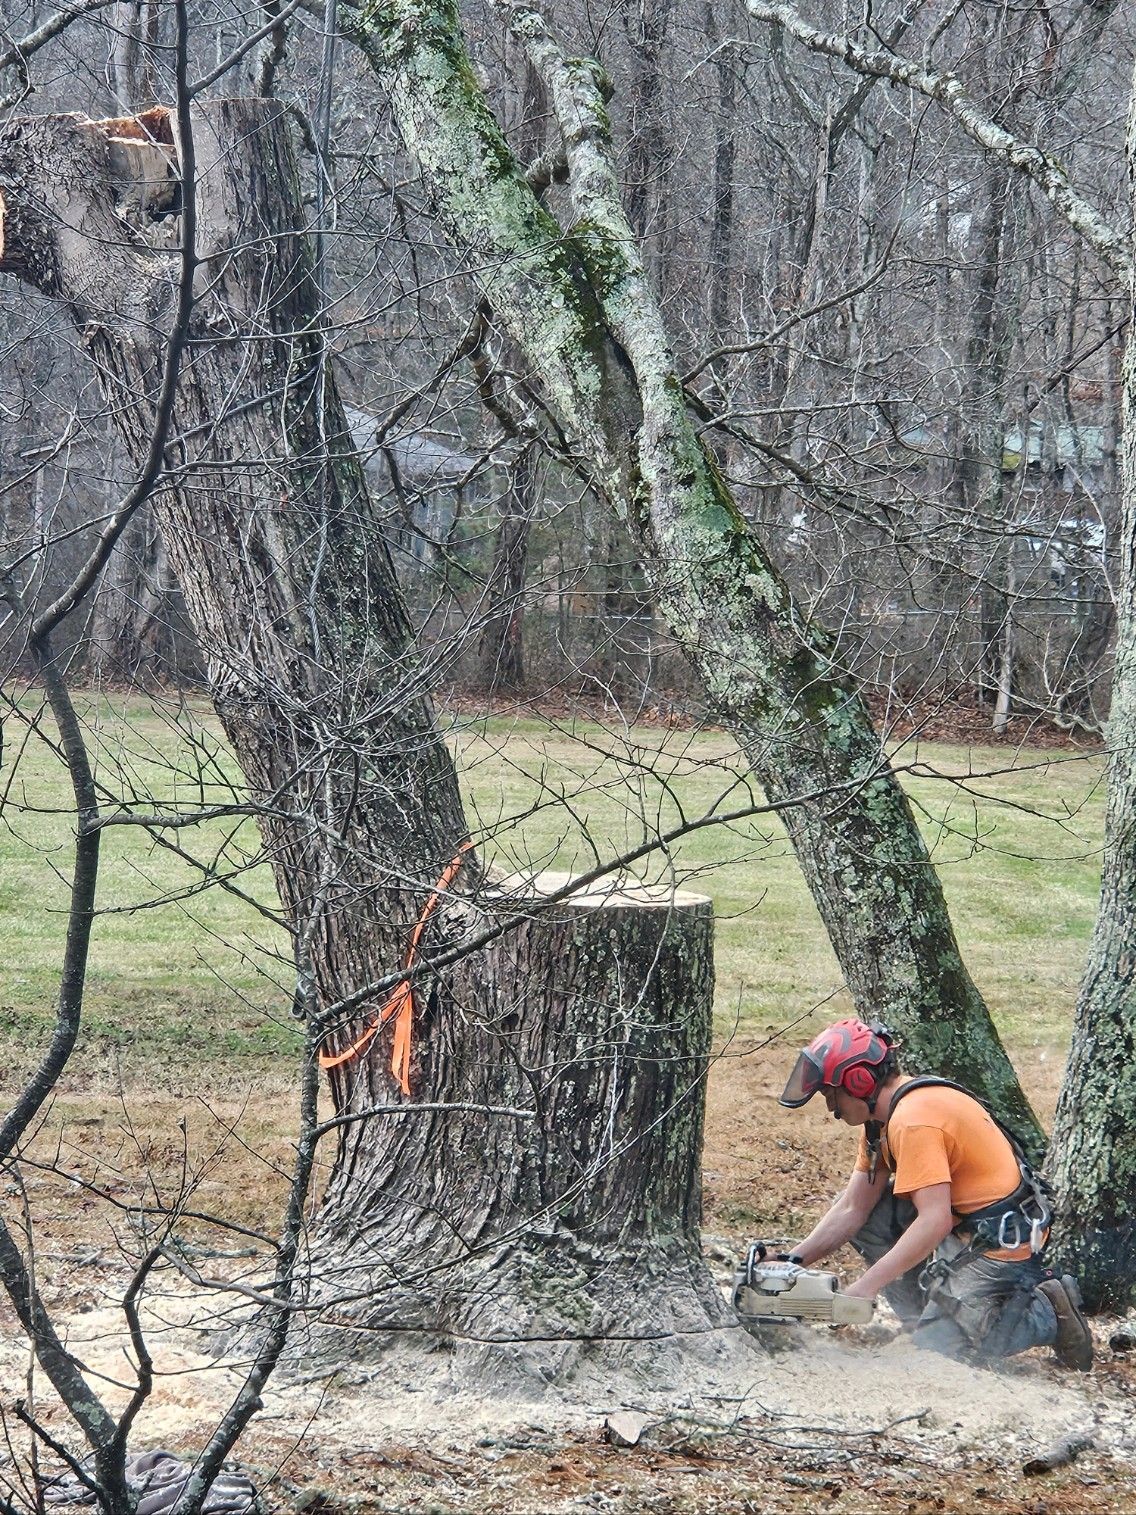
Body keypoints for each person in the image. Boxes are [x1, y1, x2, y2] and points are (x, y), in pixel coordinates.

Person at [776, 1017, 1093, 1369]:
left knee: (946, 1349)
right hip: (964, 1227)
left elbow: (934, 1220)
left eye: (830, 1094)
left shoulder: (913, 1121)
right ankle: (920, 1315)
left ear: (859, 1080)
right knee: (871, 1215)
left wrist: (866, 1286)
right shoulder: (882, 1121)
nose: (831, 1108)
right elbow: (853, 1207)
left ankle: (1049, 1311)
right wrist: (791, 1262)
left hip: (999, 1241)